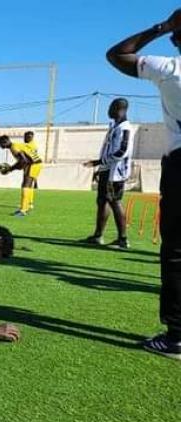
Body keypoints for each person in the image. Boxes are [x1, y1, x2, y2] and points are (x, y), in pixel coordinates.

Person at [106, 7, 181, 359]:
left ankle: (177, 336)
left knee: (177, 252)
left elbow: (117, 54)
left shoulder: (170, 69)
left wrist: (161, 26)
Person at [81, 99, 134, 249]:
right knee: (102, 201)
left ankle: (123, 239)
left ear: (121, 110)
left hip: (115, 173)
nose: (109, 111)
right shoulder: (114, 126)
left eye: (112, 108)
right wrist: (101, 168)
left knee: (115, 201)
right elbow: (109, 150)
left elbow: (122, 152)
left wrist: (98, 162)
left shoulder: (125, 128)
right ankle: (98, 236)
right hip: (107, 170)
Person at [0, 135, 43, 216]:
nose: (0, 145)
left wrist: (11, 168)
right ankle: (27, 206)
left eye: (0, 143)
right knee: (27, 185)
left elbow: (23, 161)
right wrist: (13, 168)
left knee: (26, 186)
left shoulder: (14, 147)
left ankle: (23, 211)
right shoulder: (16, 145)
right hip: (35, 163)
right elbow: (23, 161)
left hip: (33, 164)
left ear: (5, 142)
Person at [23, 131, 39, 210]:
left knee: (27, 186)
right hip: (33, 166)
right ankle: (30, 203)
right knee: (30, 185)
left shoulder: (29, 146)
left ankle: (27, 204)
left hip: (30, 166)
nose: (24, 138)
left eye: (25, 137)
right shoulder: (34, 145)